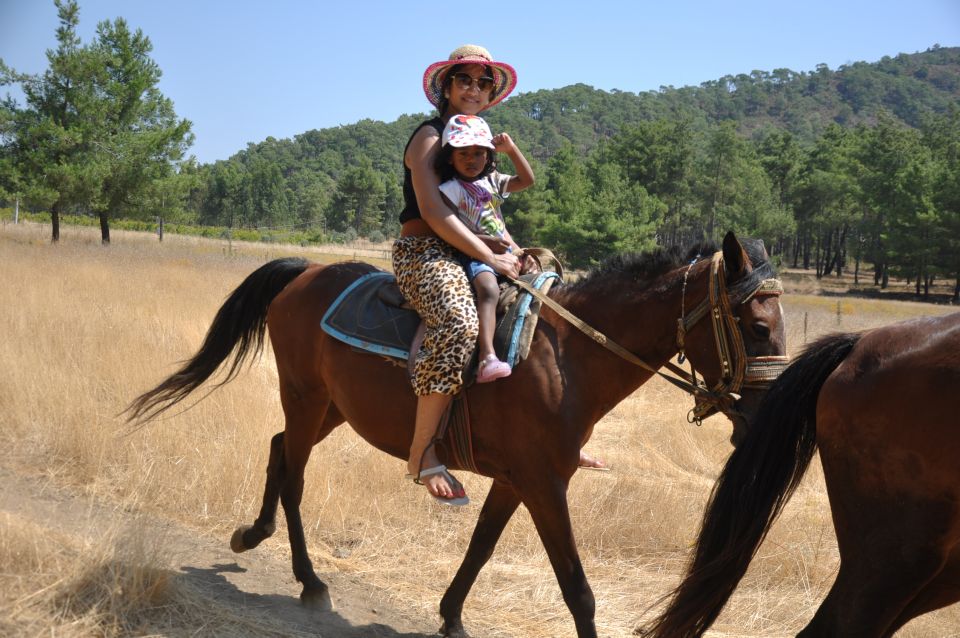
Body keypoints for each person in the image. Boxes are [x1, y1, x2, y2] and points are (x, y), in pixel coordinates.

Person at [394, 46, 606, 506]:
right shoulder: (430, 138)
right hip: (425, 250)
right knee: (458, 322)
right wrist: (491, 260)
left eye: (482, 83)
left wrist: (511, 250)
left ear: (491, 93)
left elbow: (488, 212)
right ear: (446, 87)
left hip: (478, 249)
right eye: (464, 80)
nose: (473, 89)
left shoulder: (482, 139)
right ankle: (421, 450)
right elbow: (433, 212)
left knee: (546, 303)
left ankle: (554, 430)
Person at [435, 113, 534, 383]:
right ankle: (487, 356)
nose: (471, 159)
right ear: (450, 158)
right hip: (474, 254)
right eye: (463, 153)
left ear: (489, 156)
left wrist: (512, 149)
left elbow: (527, 180)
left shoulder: (493, 181)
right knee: (488, 290)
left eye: (479, 153)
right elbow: (451, 228)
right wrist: (484, 242)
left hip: (505, 253)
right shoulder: (450, 189)